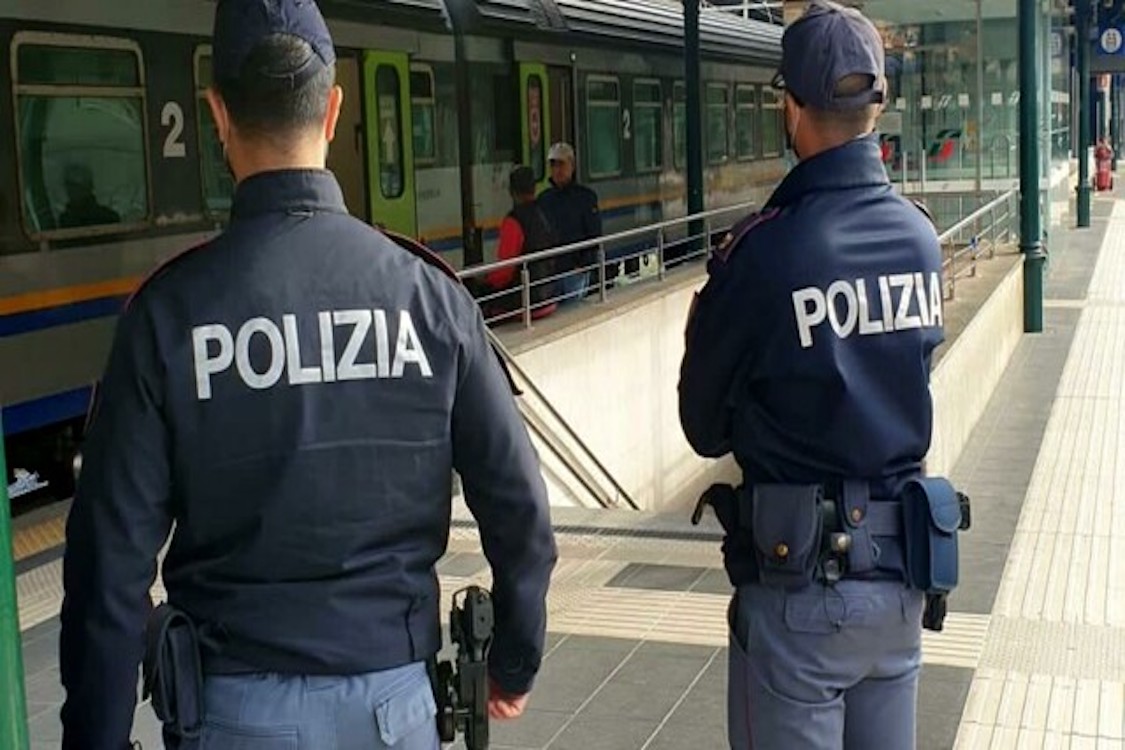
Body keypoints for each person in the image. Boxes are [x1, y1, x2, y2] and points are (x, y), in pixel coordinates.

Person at [58, 2, 558, 749]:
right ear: (332, 110)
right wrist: (513, 661)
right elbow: (518, 508)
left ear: (216, 114)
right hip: (397, 710)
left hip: (230, 715)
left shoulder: (166, 316)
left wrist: (92, 736)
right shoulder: (427, 296)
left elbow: (108, 566)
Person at [678, 2, 946, 748]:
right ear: (877, 106)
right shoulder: (920, 240)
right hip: (899, 583)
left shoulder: (762, 254)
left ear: (790, 108)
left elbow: (701, 427)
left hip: (799, 596)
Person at [476, 165, 560, 322]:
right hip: (548, 297)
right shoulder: (545, 213)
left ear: (511, 191)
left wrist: (485, 279)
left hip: (525, 303)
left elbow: (504, 273)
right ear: (534, 188)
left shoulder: (513, 221)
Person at [537, 142, 601, 302]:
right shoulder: (544, 199)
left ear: (571, 166)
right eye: (553, 165)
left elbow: (594, 233)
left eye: (561, 164)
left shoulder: (586, 197)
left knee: (572, 312)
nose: (557, 169)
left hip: (574, 272)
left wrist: (584, 265)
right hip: (551, 272)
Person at [59, 162, 120, 228]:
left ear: (89, 187)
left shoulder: (109, 219)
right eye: (70, 186)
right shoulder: (63, 221)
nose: (74, 191)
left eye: (77, 186)